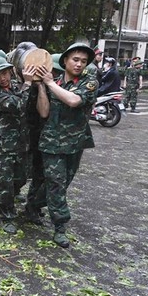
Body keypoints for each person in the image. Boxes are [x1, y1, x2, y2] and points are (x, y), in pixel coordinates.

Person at [33, 43, 98, 248]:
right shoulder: (55, 81)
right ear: (65, 61)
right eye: (75, 60)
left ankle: (33, 204)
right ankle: (60, 226)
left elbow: (74, 101)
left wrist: (49, 83)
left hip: (75, 142)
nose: (79, 64)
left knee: (63, 181)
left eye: (83, 61)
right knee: (56, 183)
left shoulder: (89, 82)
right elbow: (43, 112)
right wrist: (42, 87)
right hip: (52, 141)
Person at [0, 59, 36, 234]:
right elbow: (19, 105)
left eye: (5, 73)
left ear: (11, 72)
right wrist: (27, 83)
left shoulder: (15, 87)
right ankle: (7, 217)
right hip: (1, 145)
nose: (3, 78)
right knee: (6, 184)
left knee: (20, 179)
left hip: (21, 144)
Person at [24, 53, 61, 225]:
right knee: (28, 174)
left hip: (49, 139)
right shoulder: (30, 84)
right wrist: (33, 84)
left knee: (42, 176)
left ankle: (33, 206)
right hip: (31, 136)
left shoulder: (56, 87)